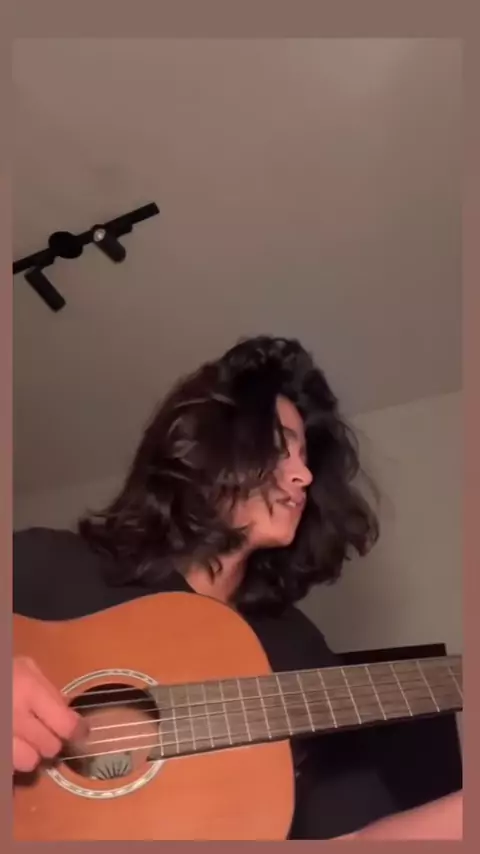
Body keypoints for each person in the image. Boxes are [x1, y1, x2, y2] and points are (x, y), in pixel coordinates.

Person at [13, 336, 462, 839]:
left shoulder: (295, 648)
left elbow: (354, 839)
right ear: (209, 449)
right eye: (280, 449)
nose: (304, 475)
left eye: (306, 458)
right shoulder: (52, 564)